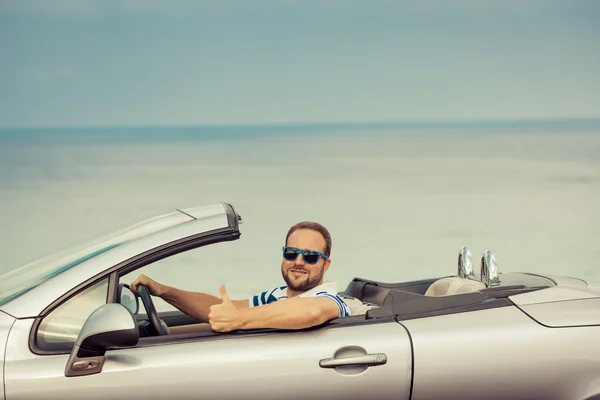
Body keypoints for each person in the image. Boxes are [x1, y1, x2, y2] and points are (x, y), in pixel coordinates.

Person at [130, 221, 350, 333]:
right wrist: (164, 291)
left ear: (326, 264)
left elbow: (311, 311)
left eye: (311, 257)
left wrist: (237, 320)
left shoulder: (330, 299)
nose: (299, 262)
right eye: (291, 253)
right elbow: (216, 308)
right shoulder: (277, 295)